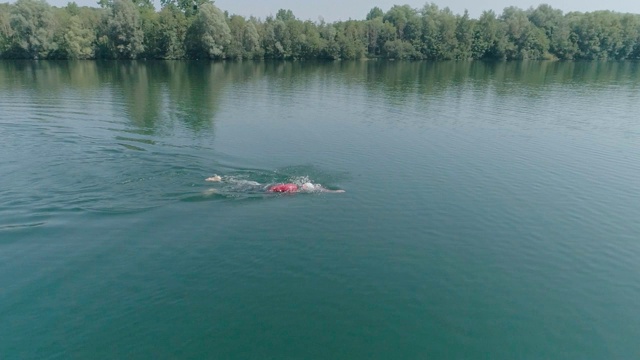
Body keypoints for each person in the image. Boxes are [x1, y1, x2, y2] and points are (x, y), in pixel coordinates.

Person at [205, 175, 344, 193]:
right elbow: (274, 189)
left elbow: (320, 188)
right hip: (263, 188)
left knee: (243, 182)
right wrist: (267, 194)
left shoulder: (296, 185)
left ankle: (220, 179)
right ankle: (214, 187)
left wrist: (334, 192)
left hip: (262, 183)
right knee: (240, 188)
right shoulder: (291, 188)